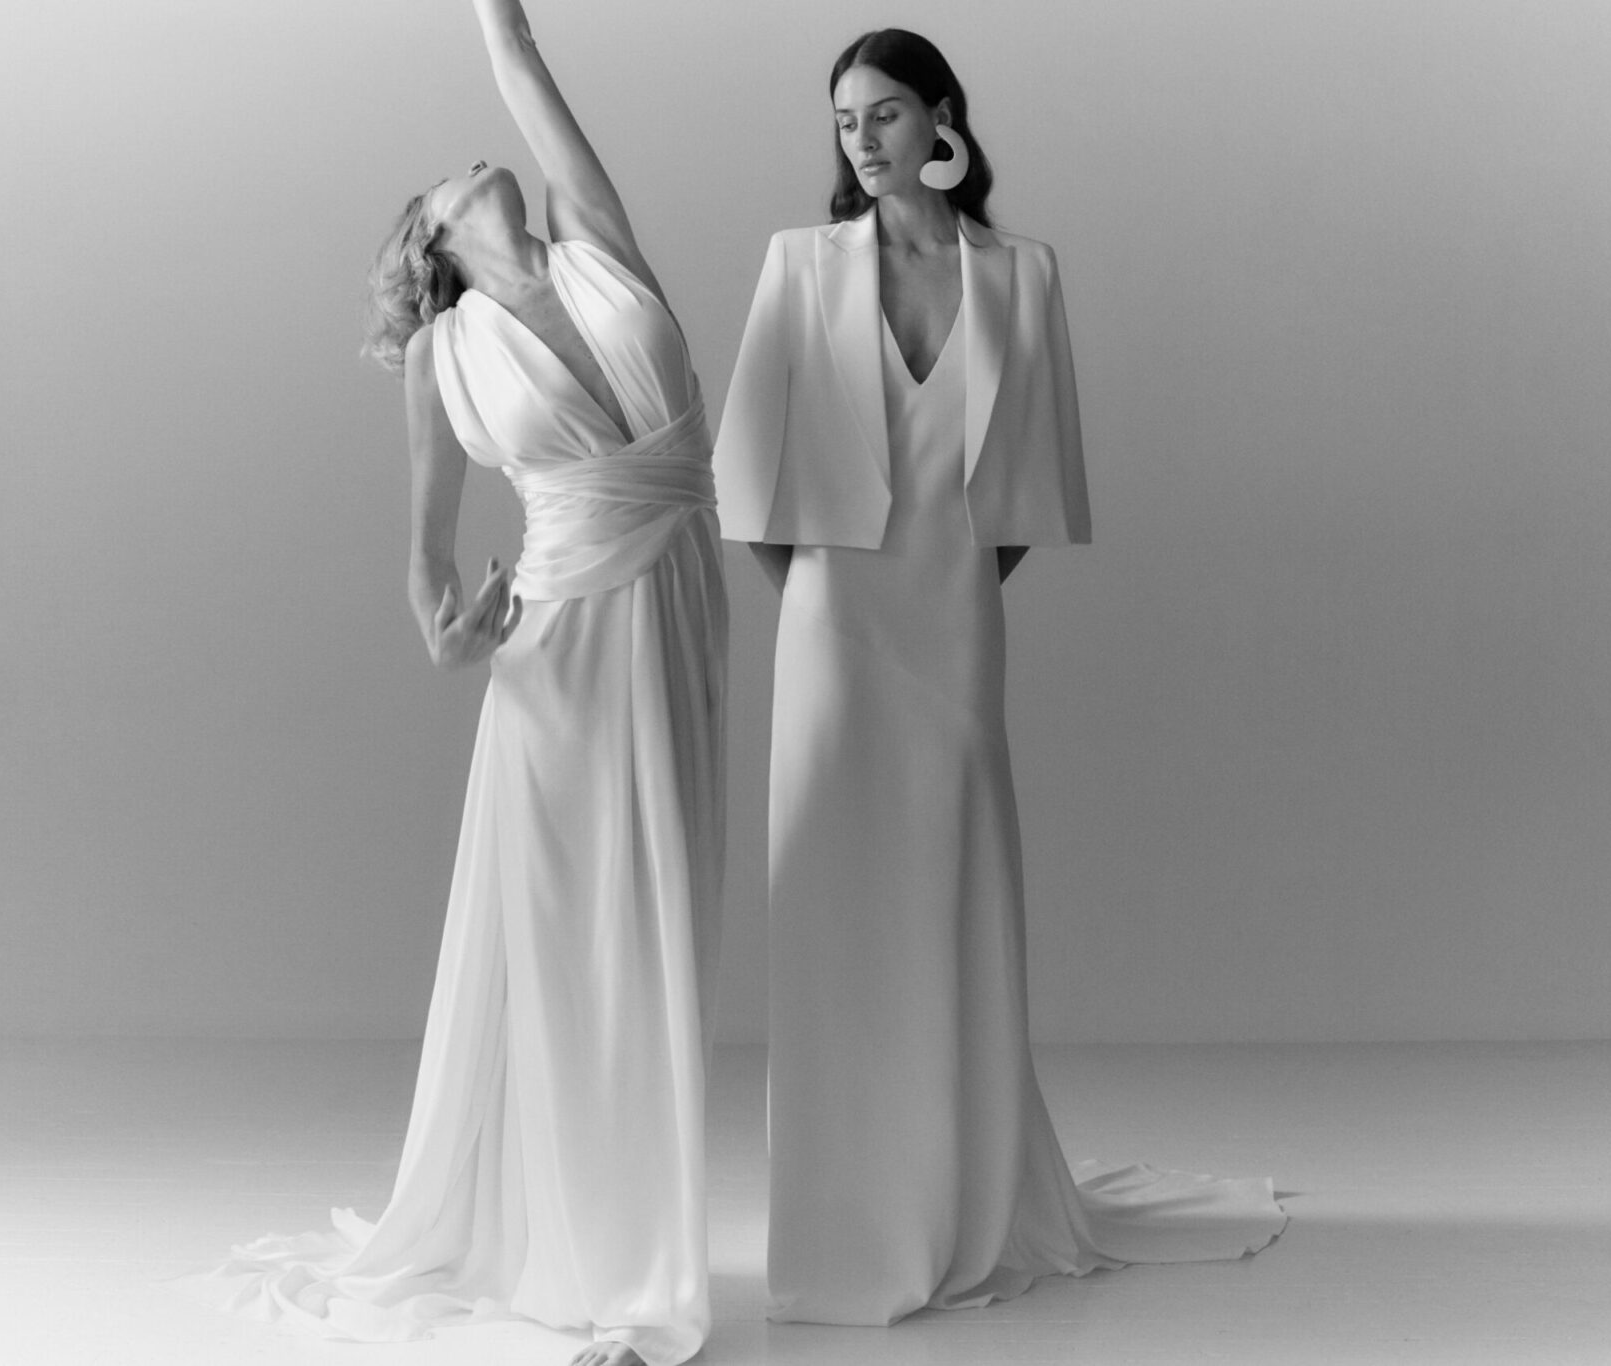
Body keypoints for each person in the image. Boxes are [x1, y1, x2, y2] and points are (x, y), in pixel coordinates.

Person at [713, 27, 1285, 1326]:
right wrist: (821, 602)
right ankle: (842, 1218)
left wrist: (951, 585)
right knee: (832, 906)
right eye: (844, 120)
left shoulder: (1021, 273)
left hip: (954, 624)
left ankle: (957, 1193)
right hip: (831, 624)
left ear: (943, 118)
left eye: (884, 114)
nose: (862, 140)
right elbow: (745, 477)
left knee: (948, 896)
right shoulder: (800, 265)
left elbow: (1028, 484)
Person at [186, 3, 725, 1364]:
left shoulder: (595, 241)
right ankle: (608, 1287)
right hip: (554, 656)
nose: (473, 158)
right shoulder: (446, 351)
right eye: (445, 175)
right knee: (569, 951)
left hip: (677, 610)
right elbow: (427, 568)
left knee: (660, 930)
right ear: (429, 239)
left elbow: (519, 58)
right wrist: (452, 640)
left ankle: (632, 1251)